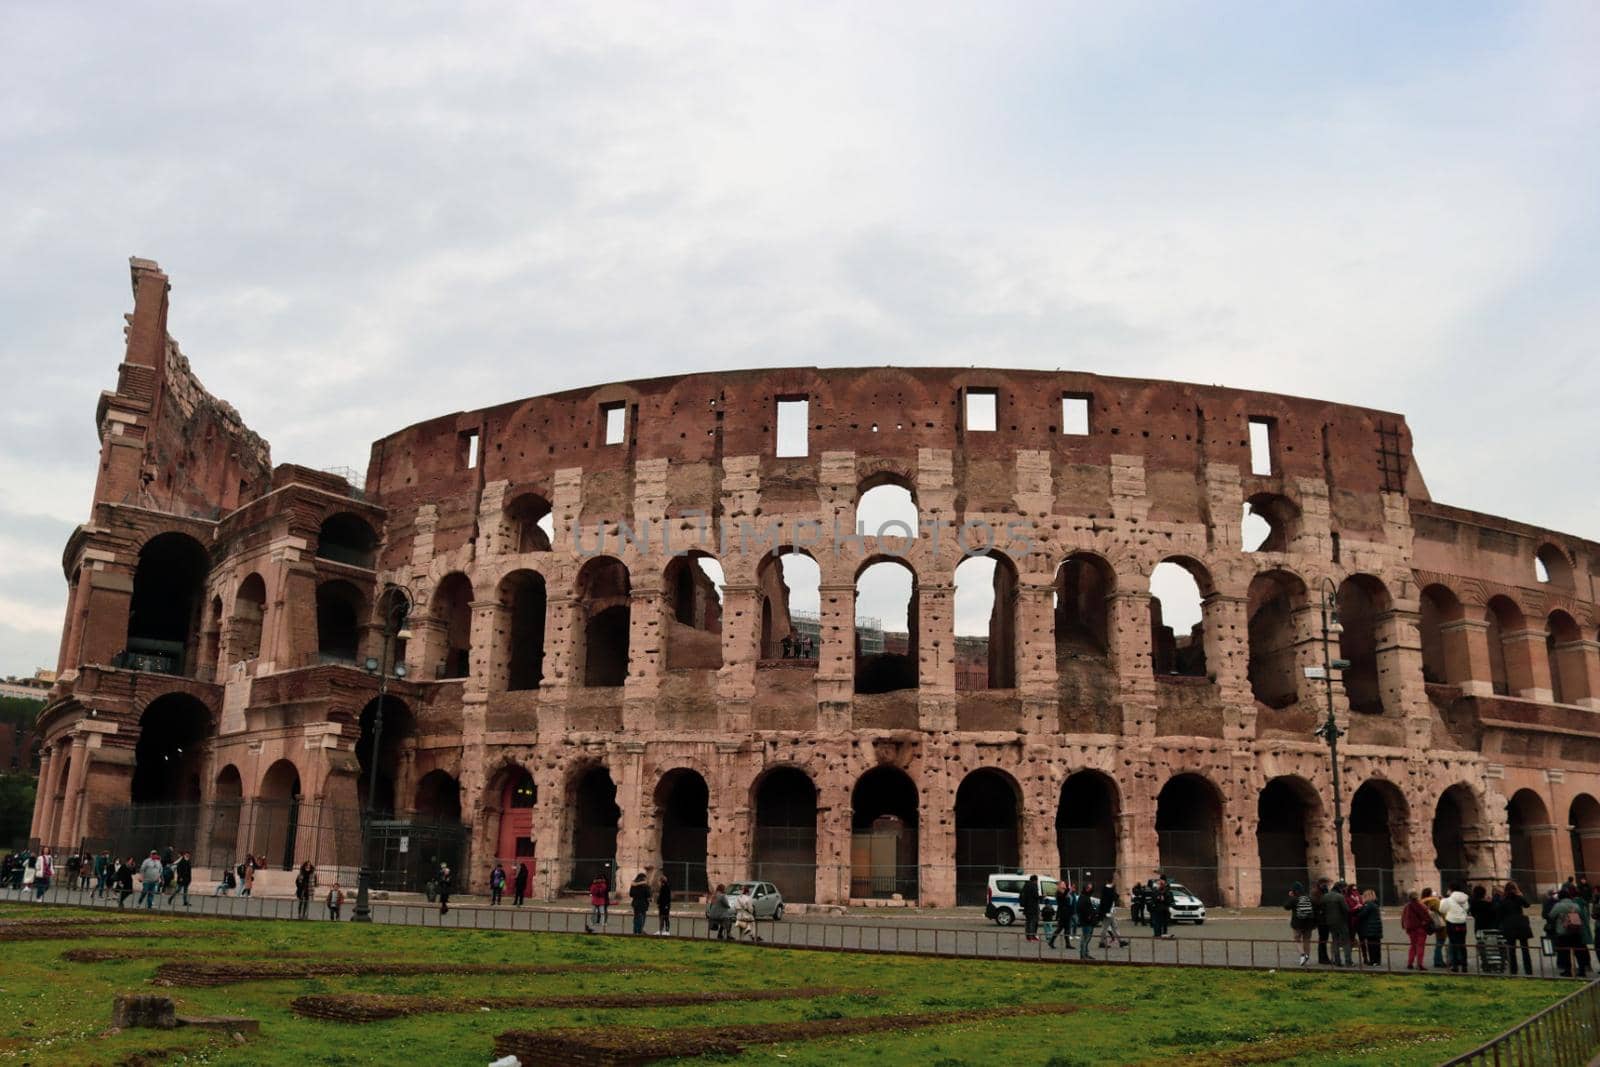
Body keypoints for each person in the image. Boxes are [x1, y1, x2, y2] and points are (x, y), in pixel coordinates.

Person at [1549, 887, 1590, 977]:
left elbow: (1551, 915)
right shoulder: (1575, 905)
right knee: (1579, 953)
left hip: (1563, 932)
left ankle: (1568, 971)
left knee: (1565, 953)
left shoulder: (1558, 906)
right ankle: (1582, 971)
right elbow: (1581, 915)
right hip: (1575, 931)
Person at [1498, 881, 1536, 975]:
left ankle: (1514, 970)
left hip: (1509, 925)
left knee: (1511, 950)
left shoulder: (1503, 900)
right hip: (1521, 924)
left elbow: (1500, 913)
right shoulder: (1519, 898)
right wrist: (1520, 894)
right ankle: (1528, 970)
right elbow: (1527, 904)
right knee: (1525, 949)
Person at [1440, 882, 1470, 973]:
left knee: (1453, 944)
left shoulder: (1448, 900)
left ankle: (1455, 966)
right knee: (1462, 944)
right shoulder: (1464, 899)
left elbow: (1442, 910)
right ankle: (1464, 966)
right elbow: (1467, 908)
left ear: (1451, 889)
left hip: (1451, 922)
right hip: (1462, 923)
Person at [1323, 879, 1353, 966]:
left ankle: (1337, 961)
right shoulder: (1340, 897)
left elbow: (1323, 909)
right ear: (1341, 888)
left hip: (1330, 922)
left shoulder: (1326, 896)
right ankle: (1348, 961)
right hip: (1341, 921)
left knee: (1335, 941)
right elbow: (1346, 910)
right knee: (1346, 941)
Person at [1401, 891, 1432, 970]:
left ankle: (1410, 963)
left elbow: (1403, 917)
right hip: (1420, 928)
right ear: (1417, 896)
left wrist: (1404, 926)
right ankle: (1419, 964)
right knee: (1420, 946)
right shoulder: (1421, 905)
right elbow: (1427, 916)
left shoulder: (1407, 906)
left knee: (1413, 946)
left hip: (1410, 929)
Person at [1286, 881, 1314, 965]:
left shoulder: (1295, 899)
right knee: (1307, 940)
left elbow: (1286, 907)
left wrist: (1291, 897)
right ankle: (1307, 956)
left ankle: (1302, 955)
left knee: (1297, 940)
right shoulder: (1309, 898)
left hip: (1297, 924)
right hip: (1309, 923)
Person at [1356, 888, 1384, 966]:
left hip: (1371, 929)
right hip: (1376, 929)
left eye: (1364, 896)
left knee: (1372, 946)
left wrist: (1359, 908)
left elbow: (1361, 915)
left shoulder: (1369, 905)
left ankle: (1373, 961)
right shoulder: (1375, 904)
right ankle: (1377, 961)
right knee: (1377, 946)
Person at [1074, 882, 1098, 960]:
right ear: (1086, 888)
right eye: (1089, 888)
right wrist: (1088, 916)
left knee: (1088, 939)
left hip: (1089, 921)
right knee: (1085, 938)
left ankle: (1086, 953)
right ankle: (1083, 955)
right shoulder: (1083, 897)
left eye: (1091, 888)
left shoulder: (1086, 896)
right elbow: (1079, 908)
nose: (1091, 889)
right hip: (1086, 922)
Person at [1046, 880, 1073, 949]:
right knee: (1059, 929)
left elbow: (1068, 898)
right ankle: (1051, 942)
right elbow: (1063, 898)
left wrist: (1069, 891)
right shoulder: (1058, 893)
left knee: (1067, 929)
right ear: (1059, 885)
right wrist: (1067, 890)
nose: (1064, 885)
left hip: (1067, 913)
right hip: (1063, 913)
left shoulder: (1065, 892)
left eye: (1064, 884)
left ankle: (1067, 944)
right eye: (1063, 884)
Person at [1312, 879, 1331, 964]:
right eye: (1325, 884)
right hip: (1321, 920)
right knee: (1323, 939)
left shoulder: (1322, 892)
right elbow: (1319, 904)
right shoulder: (1316, 893)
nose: (1326, 886)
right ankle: (1322, 958)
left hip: (1324, 919)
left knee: (1324, 939)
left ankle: (1324, 957)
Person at [1020, 874, 1042, 942]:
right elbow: (1035, 896)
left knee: (1028, 922)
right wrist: (1042, 897)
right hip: (1033, 907)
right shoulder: (1033, 886)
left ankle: (1028, 936)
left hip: (1027, 907)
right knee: (1033, 922)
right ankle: (1032, 936)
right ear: (1035, 880)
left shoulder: (1025, 885)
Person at [656, 870, 673, 935]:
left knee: (665, 918)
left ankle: (666, 930)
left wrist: (666, 905)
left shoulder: (666, 887)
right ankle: (661, 930)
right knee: (662, 918)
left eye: (659, 881)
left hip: (665, 905)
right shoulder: (663, 887)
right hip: (662, 905)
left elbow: (666, 897)